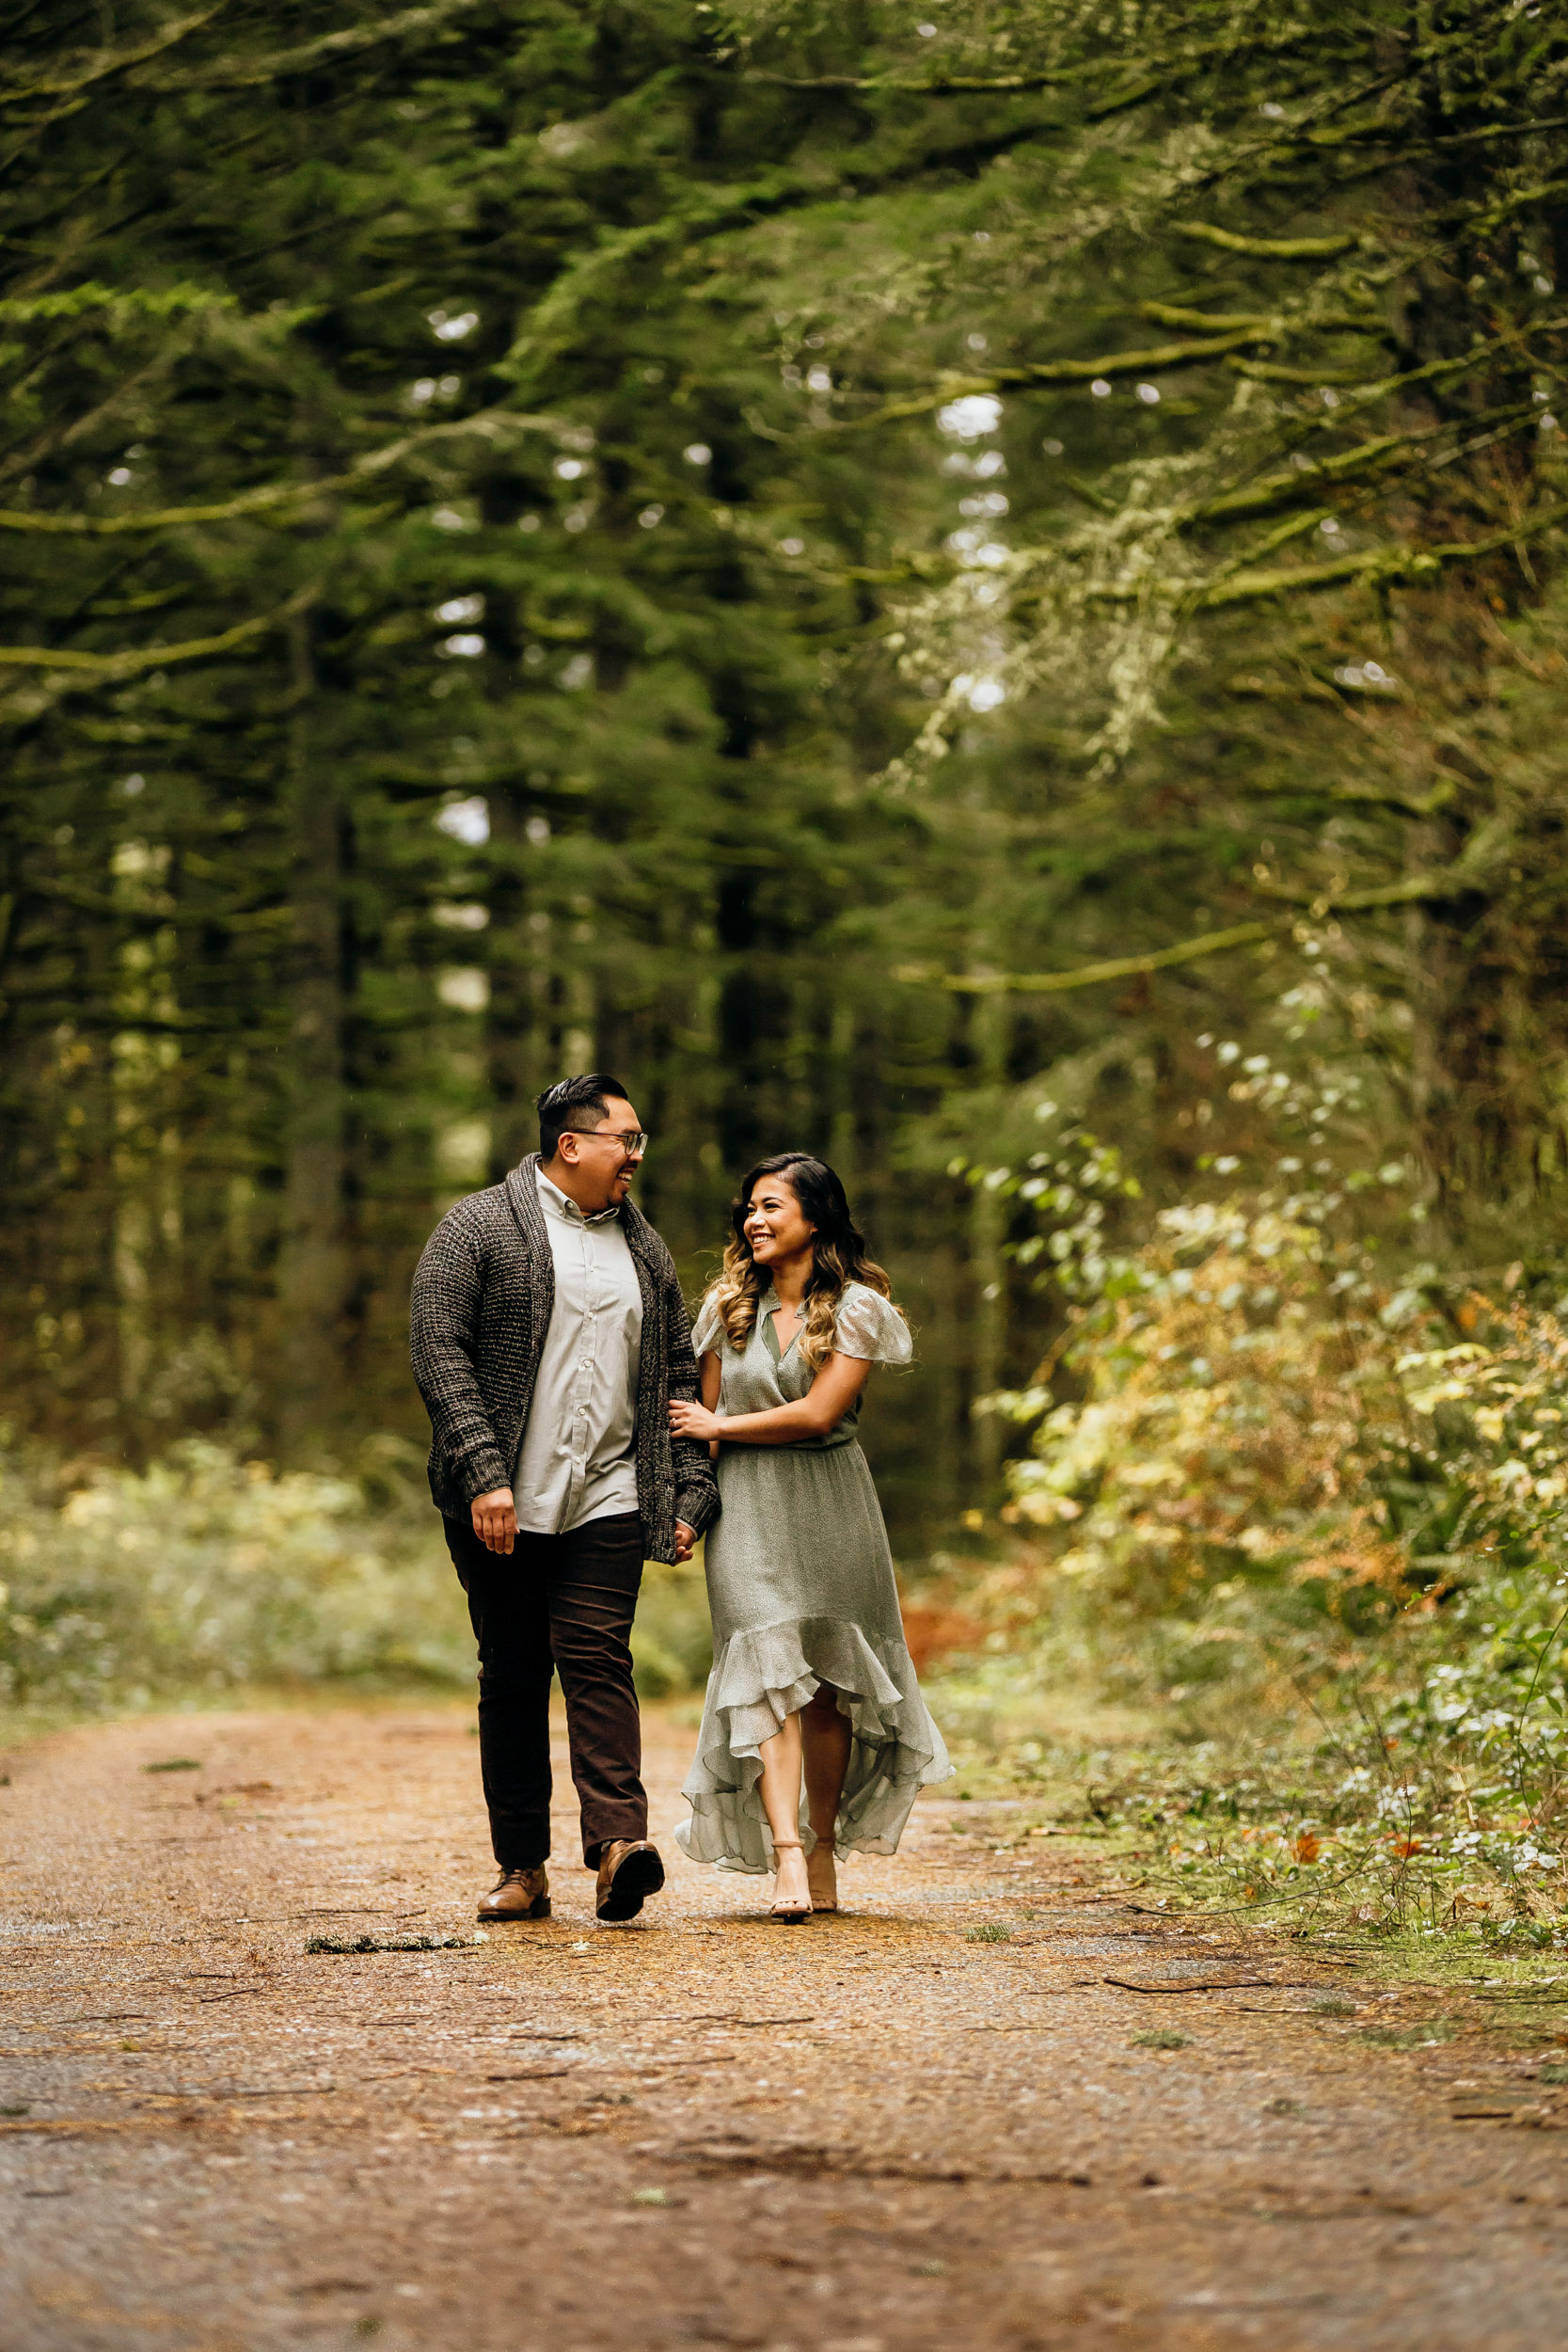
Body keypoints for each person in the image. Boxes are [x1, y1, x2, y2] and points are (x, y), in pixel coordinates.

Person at [410, 1074, 719, 1926]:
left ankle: (619, 1845)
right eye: (627, 1139)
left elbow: (675, 1376)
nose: (637, 1156)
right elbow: (439, 1350)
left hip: (608, 1493)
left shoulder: (645, 1249)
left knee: (596, 1657)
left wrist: (687, 1490)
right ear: (571, 1144)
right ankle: (521, 1867)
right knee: (512, 1675)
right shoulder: (475, 1228)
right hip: (499, 1502)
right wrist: (483, 1474)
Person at [670, 1152, 950, 1919]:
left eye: (771, 1207)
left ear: (815, 1219)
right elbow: (704, 1435)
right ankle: (786, 1854)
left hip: (831, 1505)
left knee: (827, 1688)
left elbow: (820, 1414)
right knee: (767, 1678)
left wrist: (718, 1423)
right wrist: (688, 1511)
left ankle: (823, 1846)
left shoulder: (857, 1308)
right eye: (749, 1209)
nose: (753, 1221)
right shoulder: (725, 1308)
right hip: (747, 1512)